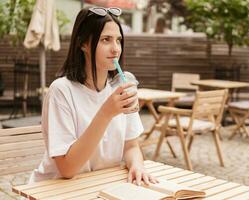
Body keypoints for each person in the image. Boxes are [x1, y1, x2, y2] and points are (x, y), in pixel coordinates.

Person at [29, 7, 157, 186]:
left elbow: (131, 146)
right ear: (83, 44)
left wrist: (137, 165)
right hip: (55, 189)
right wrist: (106, 113)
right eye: (106, 40)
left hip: (98, 184)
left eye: (118, 40)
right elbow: (67, 169)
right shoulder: (61, 91)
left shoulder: (121, 86)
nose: (115, 49)